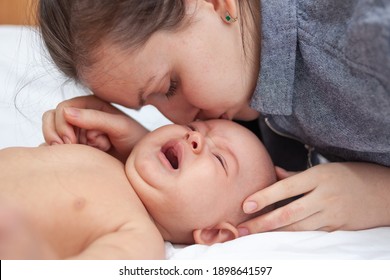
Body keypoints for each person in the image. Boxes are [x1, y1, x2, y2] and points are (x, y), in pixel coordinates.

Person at [38, 1, 390, 235]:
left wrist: (380, 195)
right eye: (150, 105)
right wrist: (141, 152)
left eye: (169, 85)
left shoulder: (367, 40)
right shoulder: (241, 77)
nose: (175, 119)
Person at [0, 119, 278, 259]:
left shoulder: (141, 238)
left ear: (213, 233)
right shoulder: (105, 158)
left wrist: (28, 252)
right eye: (194, 126)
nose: (193, 137)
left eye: (220, 159)